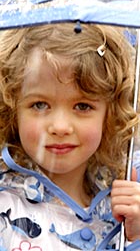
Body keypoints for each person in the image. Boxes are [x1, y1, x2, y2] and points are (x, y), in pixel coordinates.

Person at [0, 22, 140, 250]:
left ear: (110, 114)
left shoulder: (125, 201)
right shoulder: (6, 202)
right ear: (12, 108)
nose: (60, 127)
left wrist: (135, 238)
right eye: (40, 104)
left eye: (82, 106)